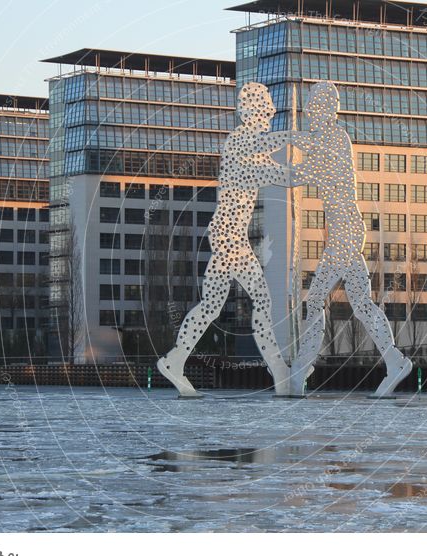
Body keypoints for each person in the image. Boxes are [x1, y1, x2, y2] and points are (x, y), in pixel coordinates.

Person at [158, 83, 290, 398]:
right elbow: (280, 171)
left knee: (212, 305)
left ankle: (175, 360)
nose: (270, 114)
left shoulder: (251, 146)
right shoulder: (241, 142)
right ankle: (280, 372)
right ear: (253, 111)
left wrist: (307, 163)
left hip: (228, 236)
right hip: (230, 238)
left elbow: (282, 171)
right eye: (266, 109)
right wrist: (300, 141)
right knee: (260, 301)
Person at [288, 82, 412, 397]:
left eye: (313, 109)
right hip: (346, 231)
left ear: (327, 111)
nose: (309, 115)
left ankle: (302, 368)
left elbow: (296, 171)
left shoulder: (333, 140)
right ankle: (394, 359)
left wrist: (261, 159)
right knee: (359, 303)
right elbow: (300, 150)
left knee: (317, 300)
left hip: (345, 231)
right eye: (308, 109)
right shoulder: (326, 140)